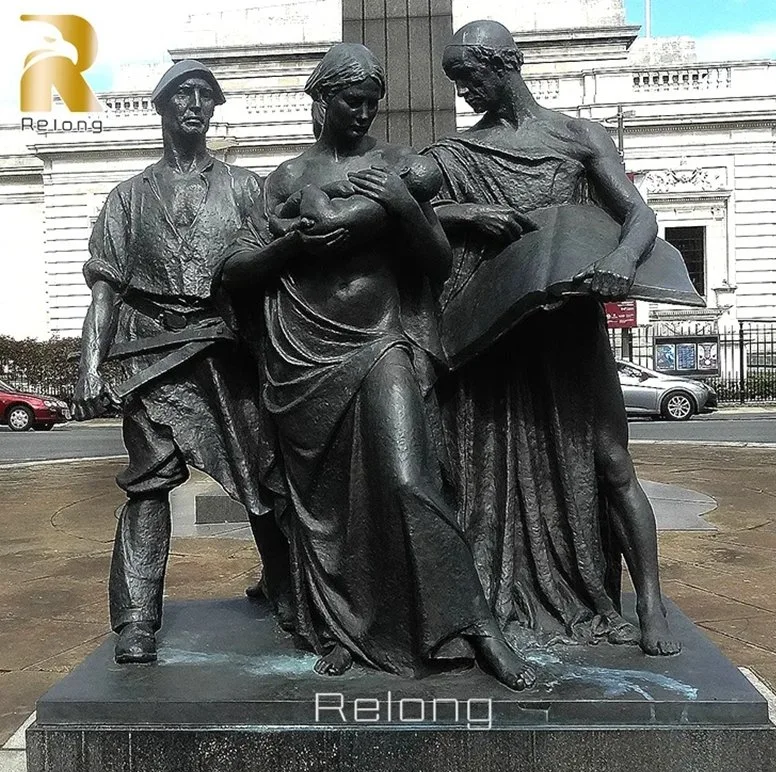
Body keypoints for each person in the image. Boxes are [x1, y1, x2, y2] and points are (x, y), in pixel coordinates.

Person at [220, 43, 536, 690]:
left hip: (377, 340)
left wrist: (399, 203)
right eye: (351, 100)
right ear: (321, 99)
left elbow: (437, 262)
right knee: (329, 507)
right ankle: (347, 631)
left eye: (372, 102)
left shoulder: (396, 165)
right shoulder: (282, 180)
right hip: (298, 355)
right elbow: (235, 270)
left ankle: (477, 626)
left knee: (407, 476)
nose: (363, 113)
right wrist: (289, 242)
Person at [424, 21, 680, 656]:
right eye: (455, 80)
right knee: (484, 471)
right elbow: (409, 210)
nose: (464, 92)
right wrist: (464, 213)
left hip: (568, 326)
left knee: (612, 461)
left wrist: (622, 258)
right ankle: (502, 596)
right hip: (496, 330)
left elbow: (639, 213)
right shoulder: (458, 153)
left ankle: (647, 598)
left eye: (469, 76)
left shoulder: (577, 135)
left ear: (505, 64)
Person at [72, 60, 287, 663]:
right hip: (151, 357)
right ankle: (137, 618)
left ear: (214, 109)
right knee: (148, 486)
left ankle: (286, 588)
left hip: (226, 354)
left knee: (264, 477)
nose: (193, 105)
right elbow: (105, 291)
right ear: (162, 108)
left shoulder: (247, 189)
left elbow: (276, 274)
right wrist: (92, 365)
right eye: (181, 96)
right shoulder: (127, 199)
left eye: (203, 96)